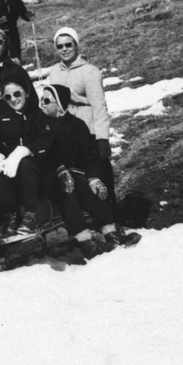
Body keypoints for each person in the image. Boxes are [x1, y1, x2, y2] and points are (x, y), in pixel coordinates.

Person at [39, 84, 140, 256]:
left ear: (60, 104)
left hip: (75, 173)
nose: (41, 103)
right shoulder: (41, 126)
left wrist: (93, 177)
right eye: (41, 99)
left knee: (89, 191)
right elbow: (45, 155)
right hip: (53, 176)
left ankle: (111, 234)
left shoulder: (77, 125)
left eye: (46, 100)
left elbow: (89, 154)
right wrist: (60, 171)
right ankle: (86, 242)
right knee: (67, 194)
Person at [41, 26, 120, 221]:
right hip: (65, 129)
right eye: (60, 46)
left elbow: (99, 106)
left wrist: (102, 137)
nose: (65, 49)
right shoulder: (54, 71)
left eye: (69, 45)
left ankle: (111, 218)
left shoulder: (89, 71)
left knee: (99, 173)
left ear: (76, 46)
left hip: (88, 127)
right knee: (76, 177)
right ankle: (86, 219)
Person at [0, 69, 53, 234]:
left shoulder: (40, 117)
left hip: (39, 174)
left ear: (26, 92)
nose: (13, 99)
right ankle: (11, 214)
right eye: (8, 96)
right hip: (13, 178)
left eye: (17, 94)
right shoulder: (1, 121)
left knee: (26, 163)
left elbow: (47, 142)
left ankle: (31, 215)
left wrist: (25, 151)